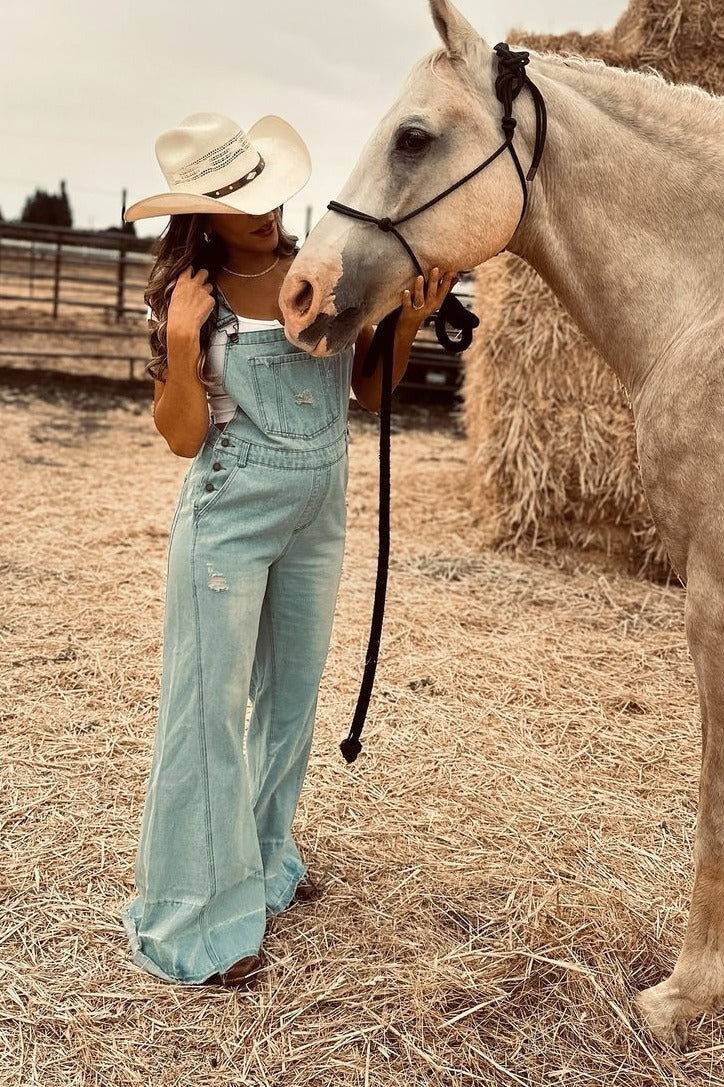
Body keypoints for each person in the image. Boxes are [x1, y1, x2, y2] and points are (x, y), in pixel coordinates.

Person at [121, 111, 456, 986]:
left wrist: (408, 321)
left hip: (319, 508)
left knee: (291, 699)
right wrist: (185, 343)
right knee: (208, 709)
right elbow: (183, 437)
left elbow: (371, 390)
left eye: (265, 193)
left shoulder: (322, 268)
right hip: (229, 512)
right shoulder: (187, 297)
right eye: (239, 204)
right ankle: (195, 918)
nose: (265, 213)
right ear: (203, 214)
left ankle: (264, 858)